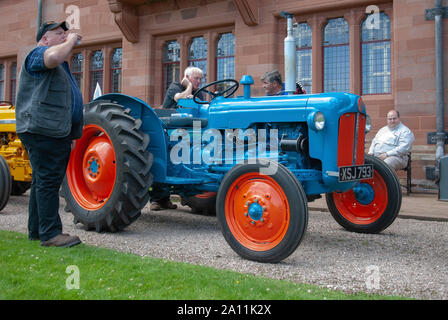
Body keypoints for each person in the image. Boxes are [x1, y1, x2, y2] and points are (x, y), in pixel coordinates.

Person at [15, 21, 84, 247]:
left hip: (55, 131)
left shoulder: (60, 66)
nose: (65, 37)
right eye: (59, 34)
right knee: (48, 181)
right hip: (43, 129)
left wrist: (72, 134)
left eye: (65, 33)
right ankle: (51, 233)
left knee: (42, 180)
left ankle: (37, 230)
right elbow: (53, 57)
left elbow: (67, 102)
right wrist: (73, 40)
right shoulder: (38, 54)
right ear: (45, 39)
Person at [151, 66, 205, 211]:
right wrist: (188, 87)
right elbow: (179, 99)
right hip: (168, 129)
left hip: (188, 130)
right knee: (165, 159)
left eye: (200, 79)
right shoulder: (175, 87)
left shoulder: (198, 93)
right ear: (187, 78)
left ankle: (170, 197)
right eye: (196, 79)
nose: (199, 82)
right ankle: (157, 200)